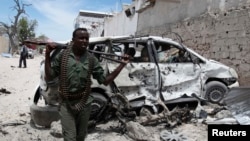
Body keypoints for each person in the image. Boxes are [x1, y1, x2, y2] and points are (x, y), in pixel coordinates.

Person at [44, 27, 130, 141]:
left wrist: (122, 64)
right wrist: (47, 55)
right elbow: (50, 76)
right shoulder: (63, 56)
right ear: (73, 39)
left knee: (81, 137)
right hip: (66, 103)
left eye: (86, 38)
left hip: (84, 102)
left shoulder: (91, 59)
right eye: (81, 38)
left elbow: (105, 80)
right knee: (70, 137)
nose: (84, 41)